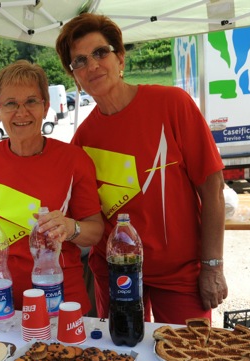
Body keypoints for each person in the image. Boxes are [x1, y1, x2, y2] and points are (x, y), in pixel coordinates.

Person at [54, 13, 228, 324]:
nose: (92, 65)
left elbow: (212, 188)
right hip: (116, 273)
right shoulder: (82, 140)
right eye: (79, 61)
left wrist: (212, 265)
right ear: (74, 77)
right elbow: (86, 217)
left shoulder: (172, 104)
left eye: (100, 52)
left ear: (119, 57)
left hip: (180, 276)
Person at [0, 60, 104, 313]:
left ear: (46, 107)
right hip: (0, 292)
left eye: (31, 102)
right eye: (11, 103)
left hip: (59, 291)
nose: (21, 112)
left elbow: (95, 230)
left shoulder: (74, 159)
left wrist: (71, 227)